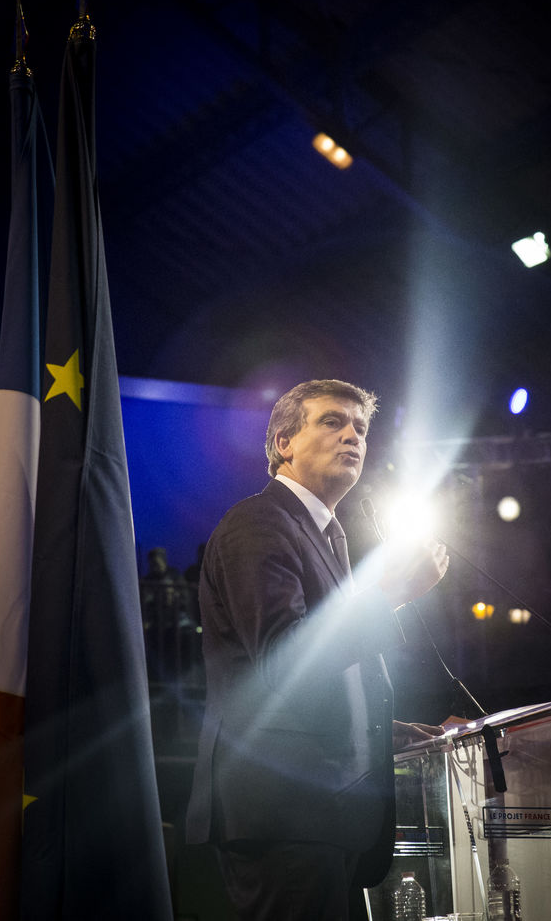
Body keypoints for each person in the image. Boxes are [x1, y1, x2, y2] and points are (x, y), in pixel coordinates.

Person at [186, 379, 450, 920]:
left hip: (325, 817)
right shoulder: (259, 523)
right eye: (332, 421)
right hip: (283, 815)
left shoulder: (325, 534)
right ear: (283, 442)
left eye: (361, 428)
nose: (352, 435)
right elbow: (285, 658)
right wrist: (392, 594)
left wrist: (385, 731)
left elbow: (321, 676)